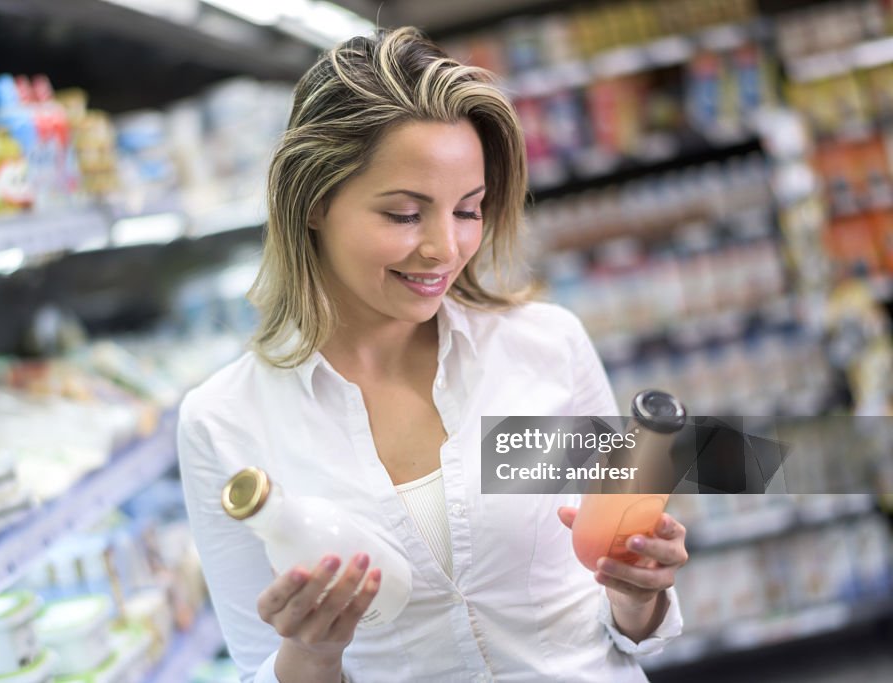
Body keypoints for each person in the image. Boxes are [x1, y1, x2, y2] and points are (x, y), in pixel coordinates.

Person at [178, 26, 687, 683]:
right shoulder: (223, 422)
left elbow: (620, 618)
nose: (445, 248)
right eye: (403, 214)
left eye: (468, 209)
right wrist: (310, 654)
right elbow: (255, 665)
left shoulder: (546, 347)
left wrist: (639, 593)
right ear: (312, 202)